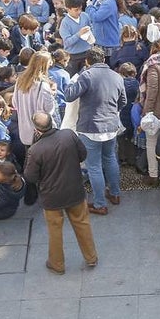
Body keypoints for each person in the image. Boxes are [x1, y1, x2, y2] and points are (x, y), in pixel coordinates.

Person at [24, 112, 98, 273]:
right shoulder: (68, 135)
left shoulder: (36, 150)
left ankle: (57, 264)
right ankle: (91, 257)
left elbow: (30, 176)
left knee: (55, 231)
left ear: (36, 130)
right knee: (82, 224)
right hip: (74, 190)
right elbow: (82, 154)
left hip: (51, 197)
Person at [64, 48, 127, 215]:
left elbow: (69, 96)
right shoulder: (117, 76)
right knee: (110, 159)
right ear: (104, 60)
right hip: (111, 126)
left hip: (90, 128)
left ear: (87, 62)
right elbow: (123, 101)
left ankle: (100, 204)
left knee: (94, 167)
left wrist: (71, 81)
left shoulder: (86, 76)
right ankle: (115, 194)